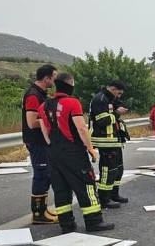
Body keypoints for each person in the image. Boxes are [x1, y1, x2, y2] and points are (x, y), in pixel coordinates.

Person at [38, 72, 114, 233]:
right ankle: (94, 221)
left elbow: (45, 131)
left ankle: (67, 224)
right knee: (86, 185)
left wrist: (51, 145)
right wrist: (91, 149)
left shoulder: (43, 105)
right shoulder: (72, 103)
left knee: (60, 188)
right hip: (73, 151)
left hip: (53, 152)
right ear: (70, 85)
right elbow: (81, 128)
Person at [22, 64, 59, 224]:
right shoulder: (33, 95)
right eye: (54, 77)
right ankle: (38, 214)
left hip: (42, 141)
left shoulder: (41, 94)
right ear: (46, 78)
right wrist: (52, 120)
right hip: (36, 141)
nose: (55, 80)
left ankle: (43, 210)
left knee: (46, 175)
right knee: (41, 174)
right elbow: (31, 122)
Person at [89, 80, 129, 208]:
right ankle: (104, 198)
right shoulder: (100, 99)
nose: (119, 96)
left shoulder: (109, 99)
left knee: (118, 169)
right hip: (105, 141)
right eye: (119, 93)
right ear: (112, 89)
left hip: (114, 140)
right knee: (108, 170)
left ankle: (114, 194)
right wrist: (118, 113)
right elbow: (102, 120)